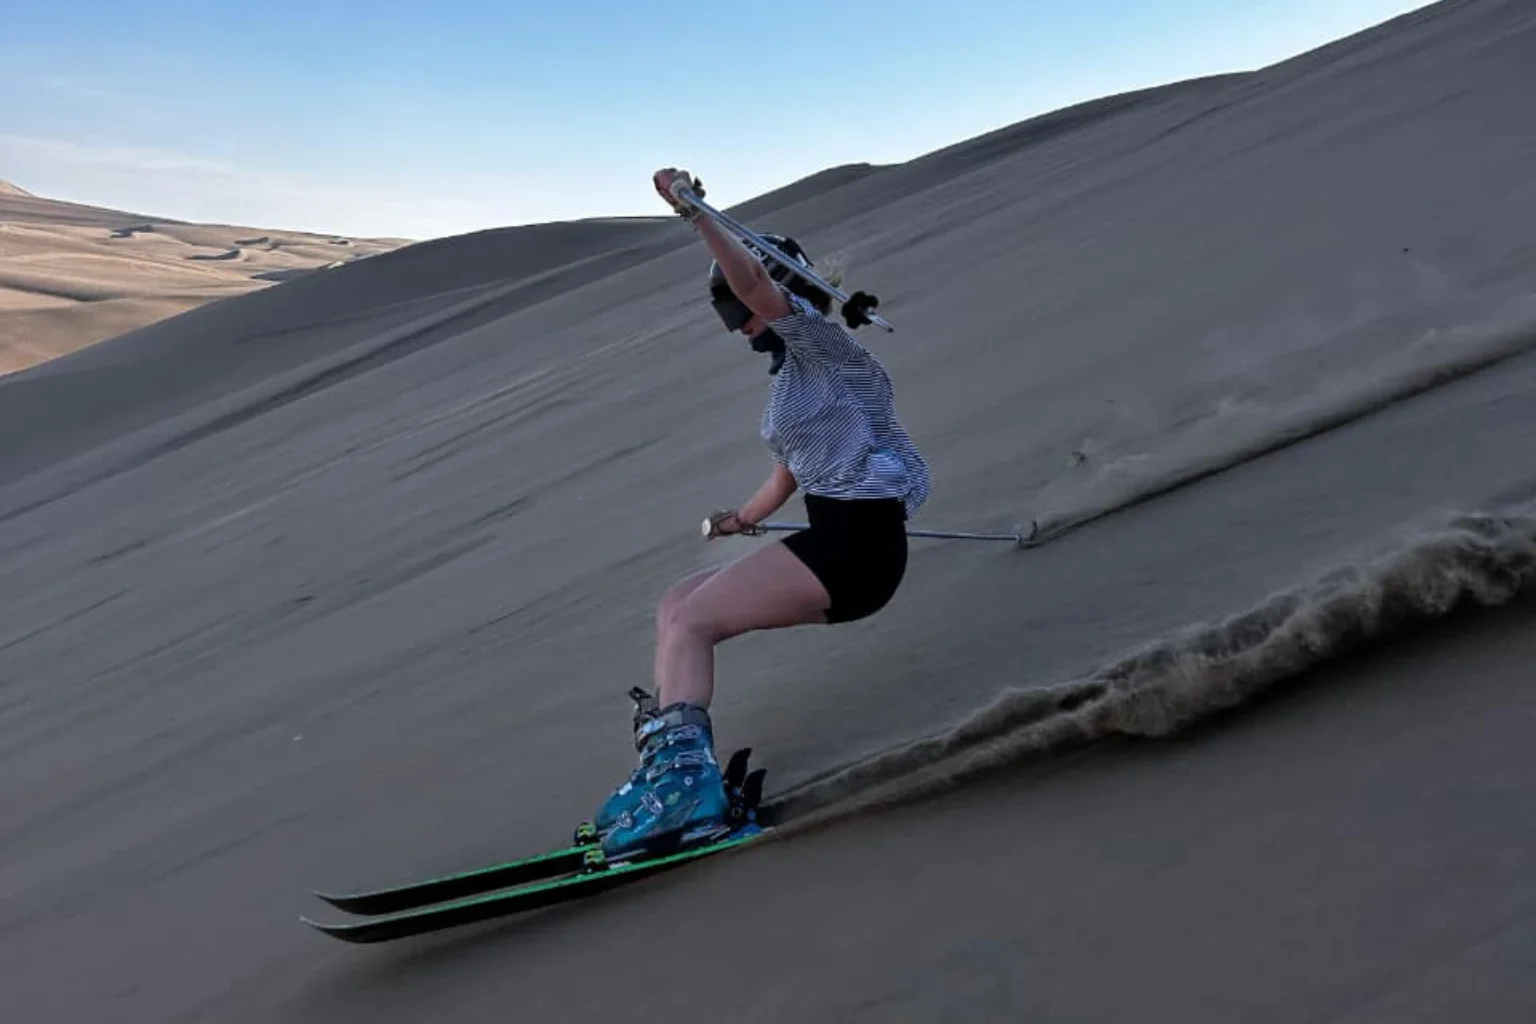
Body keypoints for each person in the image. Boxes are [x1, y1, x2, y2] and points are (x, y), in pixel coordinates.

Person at [593, 168, 930, 857]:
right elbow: (787, 478)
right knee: (677, 603)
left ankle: (687, 796)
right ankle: (667, 770)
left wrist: (696, 217)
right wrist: (739, 519)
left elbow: (754, 286)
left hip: (859, 548)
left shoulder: (826, 347)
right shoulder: (796, 383)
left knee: (695, 622)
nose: (742, 328)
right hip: (836, 539)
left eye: (739, 314)